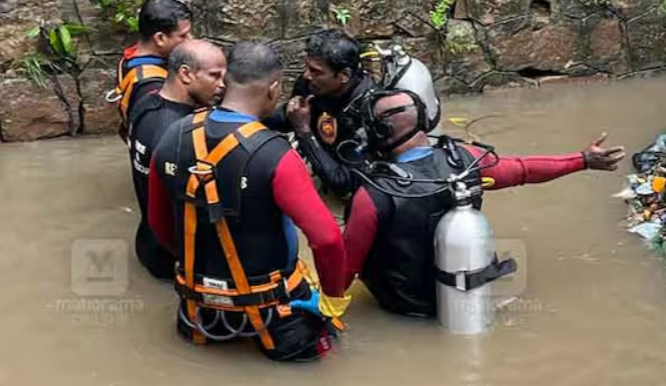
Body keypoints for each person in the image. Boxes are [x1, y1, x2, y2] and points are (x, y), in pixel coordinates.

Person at [335, 90, 625, 318]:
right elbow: (523, 170)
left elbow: (344, 270)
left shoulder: (372, 194)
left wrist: (324, 308)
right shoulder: (465, 160)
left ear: (378, 133)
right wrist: (584, 160)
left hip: (406, 307)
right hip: (466, 300)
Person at [147, 42, 349, 362]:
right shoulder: (276, 155)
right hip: (278, 313)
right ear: (273, 89)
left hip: (198, 312)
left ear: (225, 80)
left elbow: (159, 224)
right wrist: (333, 300)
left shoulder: (172, 136)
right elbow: (327, 240)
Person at [126, 40, 225, 280]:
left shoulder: (144, 103)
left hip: (147, 243)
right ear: (185, 74)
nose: (222, 85)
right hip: (176, 259)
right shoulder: (180, 136)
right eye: (214, 76)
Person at [267, 29, 377, 198]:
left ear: (344, 75)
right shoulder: (311, 85)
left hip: (355, 192)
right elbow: (288, 117)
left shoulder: (367, 112)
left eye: (316, 71)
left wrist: (303, 130)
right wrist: (250, 116)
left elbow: (344, 184)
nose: (306, 75)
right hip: (322, 162)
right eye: (307, 67)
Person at [113, 0, 193, 141]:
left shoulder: (129, 59)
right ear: (160, 38)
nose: (190, 40)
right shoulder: (152, 85)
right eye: (183, 36)